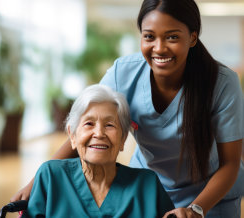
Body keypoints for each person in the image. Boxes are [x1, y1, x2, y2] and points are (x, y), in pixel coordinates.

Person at [12, 0, 244, 218]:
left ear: (192, 37)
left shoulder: (222, 83)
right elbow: (86, 130)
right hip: (148, 190)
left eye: (172, 37)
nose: (159, 48)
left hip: (210, 197)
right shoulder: (123, 73)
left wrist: (196, 209)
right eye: (149, 36)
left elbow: (231, 163)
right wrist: (36, 183)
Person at [21, 84, 174, 217]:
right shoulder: (50, 176)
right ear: (72, 136)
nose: (99, 133)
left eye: (109, 125)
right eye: (89, 123)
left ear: (123, 139)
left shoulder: (147, 185)